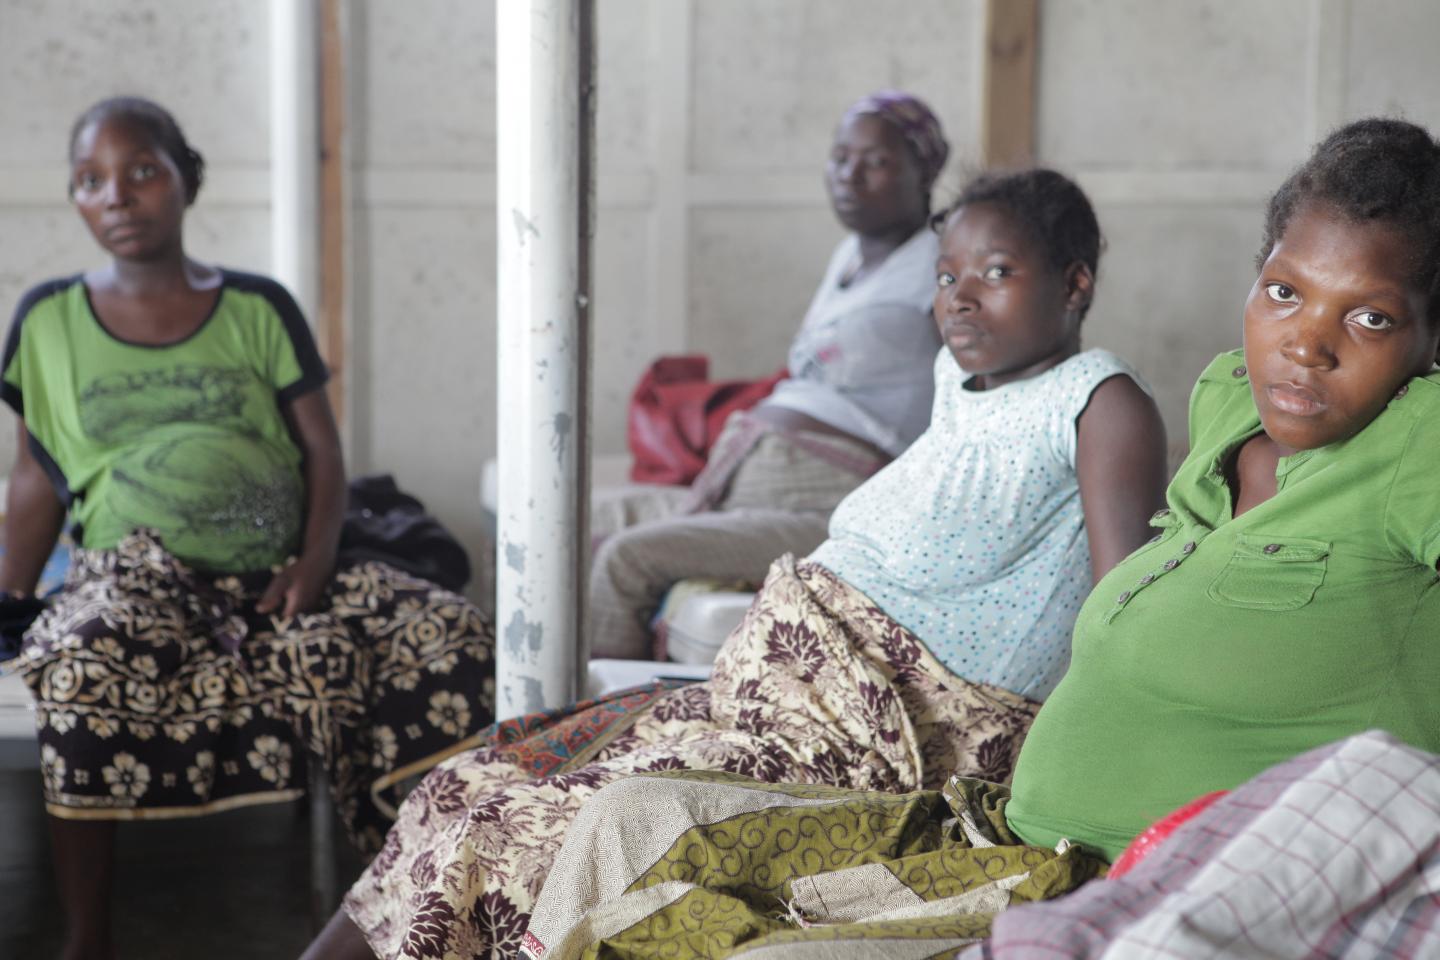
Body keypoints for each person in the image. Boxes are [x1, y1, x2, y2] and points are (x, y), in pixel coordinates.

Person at [519, 117, 1440, 957]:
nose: (1306, 343)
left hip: (1128, 891)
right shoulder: (1230, 411)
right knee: (630, 821)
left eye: (1370, 317)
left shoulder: (1417, 444)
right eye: (1284, 291)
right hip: (993, 838)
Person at [300, 167, 1168, 960]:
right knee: (468, 781)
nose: (961, 298)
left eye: (996, 273)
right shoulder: (963, 381)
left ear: (1075, 284)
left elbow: (1119, 614)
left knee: (511, 829)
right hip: (775, 701)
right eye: (946, 277)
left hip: (872, 739)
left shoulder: (1099, 402)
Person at [0, 97, 497, 960]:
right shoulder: (48, 319)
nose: (117, 195)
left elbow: (324, 454)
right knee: (76, 665)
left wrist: (314, 562)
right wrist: (10, 598)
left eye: (141, 171)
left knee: (452, 634)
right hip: (134, 574)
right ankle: (85, 940)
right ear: (76, 199)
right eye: (90, 180)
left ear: (185, 179)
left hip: (280, 571)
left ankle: (417, 906)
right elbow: (36, 472)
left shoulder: (258, 307)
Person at [589, 91, 951, 659]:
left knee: (625, 558)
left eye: (876, 161)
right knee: (567, 520)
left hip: (827, 501)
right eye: (840, 157)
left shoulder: (943, 264)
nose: (849, 174)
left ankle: (596, 714)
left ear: (924, 170)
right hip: (747, 481)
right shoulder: (850, 255)